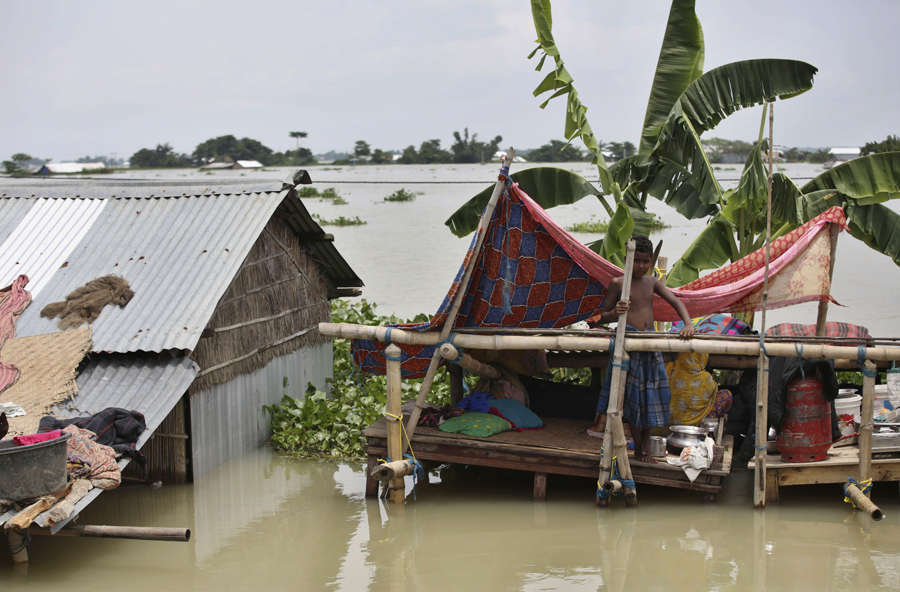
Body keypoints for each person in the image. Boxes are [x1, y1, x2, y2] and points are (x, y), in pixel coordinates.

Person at [588, 235, 695, 462]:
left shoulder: (652, 282)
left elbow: (677, 302)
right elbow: (596, 319)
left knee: (654, 396)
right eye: (637, 261)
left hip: (650, 343)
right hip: (629, 345)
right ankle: (638, 450)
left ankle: (645, 446)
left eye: (646, 262)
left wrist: (688, 324)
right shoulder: (618, 284)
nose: (642, 266)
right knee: (634, 399)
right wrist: (615, 312)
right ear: (628, 260)